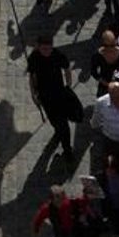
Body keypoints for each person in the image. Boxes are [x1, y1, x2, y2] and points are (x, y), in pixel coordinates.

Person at [27, 37, 77, 167]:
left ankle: (67, 150)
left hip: (59, 94)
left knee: (63, 124)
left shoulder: (58, 55)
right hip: (44, 96)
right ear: (38, 47)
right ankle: (57, 131)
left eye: (49, 48)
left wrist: (68, 86)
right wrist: (33, 94)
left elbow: (67, 68)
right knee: (53, 120)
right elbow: (32, 77)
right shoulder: (34, 58)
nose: (47, 52)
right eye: (44, 49)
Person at [90, 30, 119, 98]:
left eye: (112, 45)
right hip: (105, 85)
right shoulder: (97, 55)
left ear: (115, 42)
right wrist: (105, 83)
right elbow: (93, 71)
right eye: (106, 46)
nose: (109, 48)